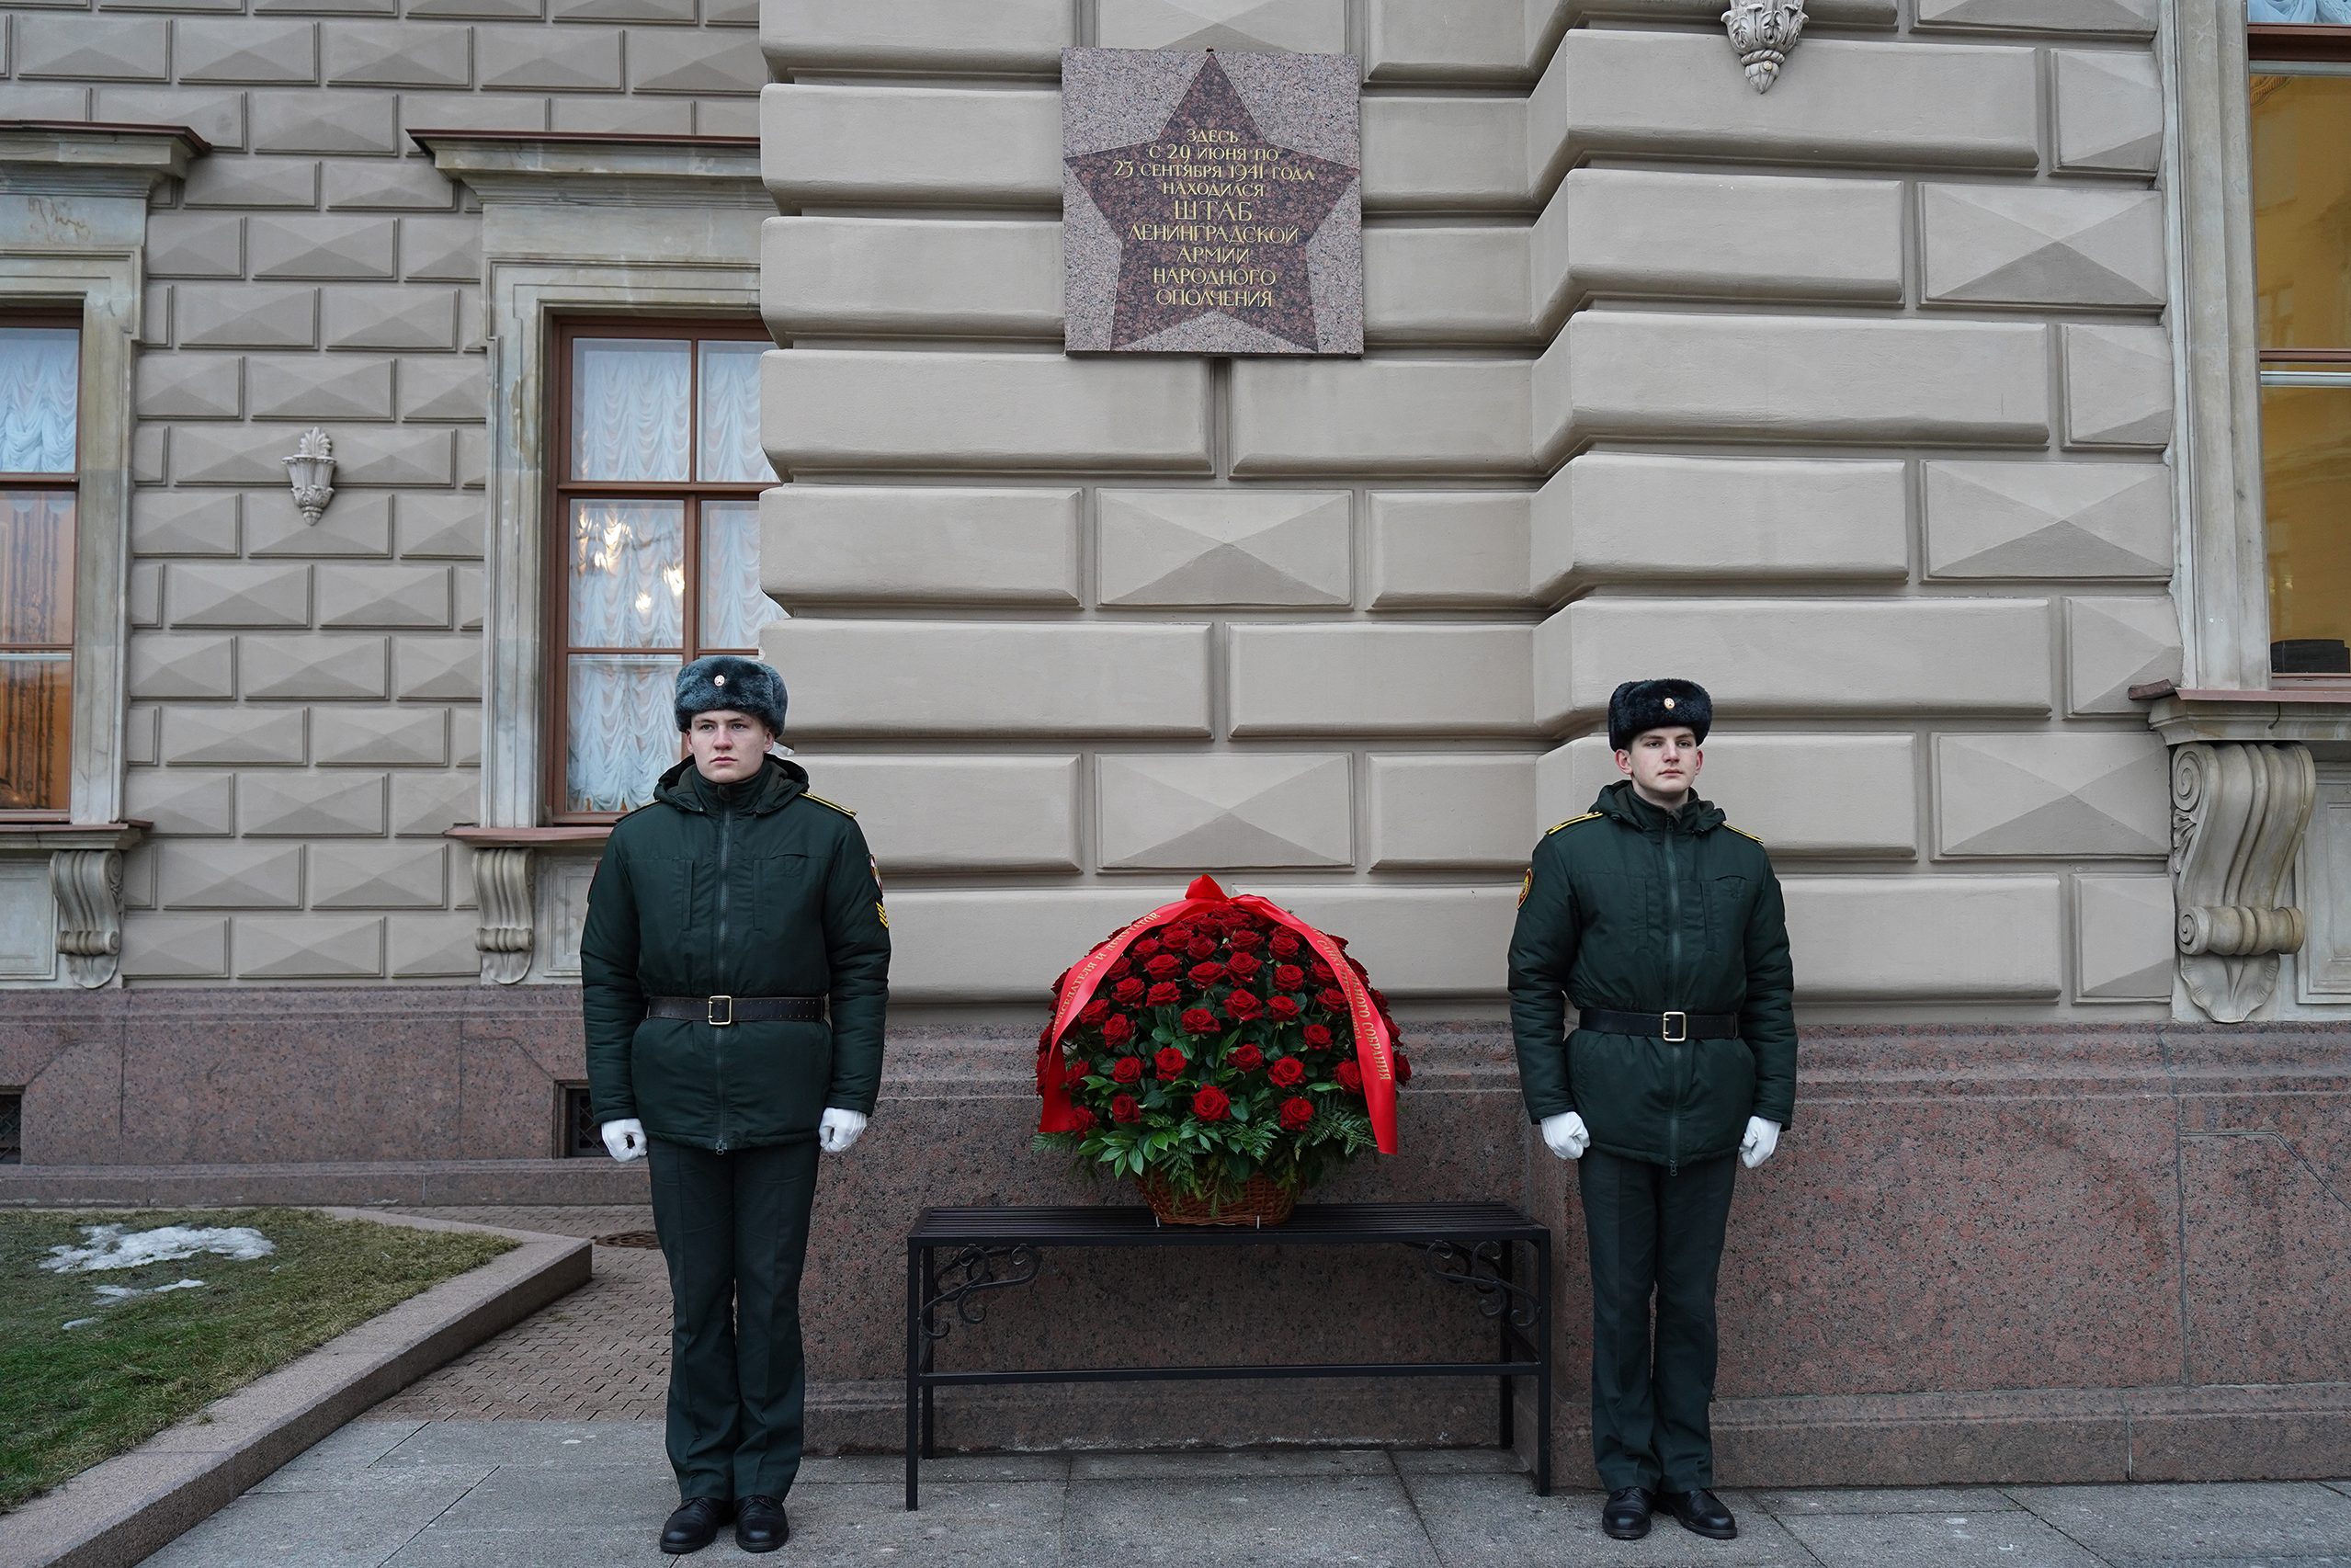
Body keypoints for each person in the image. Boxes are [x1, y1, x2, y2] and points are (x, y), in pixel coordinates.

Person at [581, 654, 890, 1556]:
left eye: (739, 726)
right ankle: (701, 1483)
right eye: (705, 727)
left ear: (767, 736)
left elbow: (860, 971)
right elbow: (605, 973)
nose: (722, 739)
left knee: (768, 1295)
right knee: (693, 1299)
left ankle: (762, 1485)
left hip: (784, 1091)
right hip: (673, 1088)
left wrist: (850, 1090)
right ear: (684, 738)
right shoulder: (638, 840)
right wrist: (613, 1097)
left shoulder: (825, 835)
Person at [1505, 678, 1796, 1543]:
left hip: (1714, 1099)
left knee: (1694, 1304)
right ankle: (1627, 1476)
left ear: (1699, 755)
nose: (1671, 753)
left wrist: (1771, 1103)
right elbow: (1533, 983)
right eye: (1653, 742)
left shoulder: (1743, 858)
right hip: (1613, 1103)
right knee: (1625, 1299)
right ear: (1622, 757)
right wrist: (1550, 1101)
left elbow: (1773, 992)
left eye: (1685, 741)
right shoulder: (1573, 852)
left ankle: (1689, 1475)